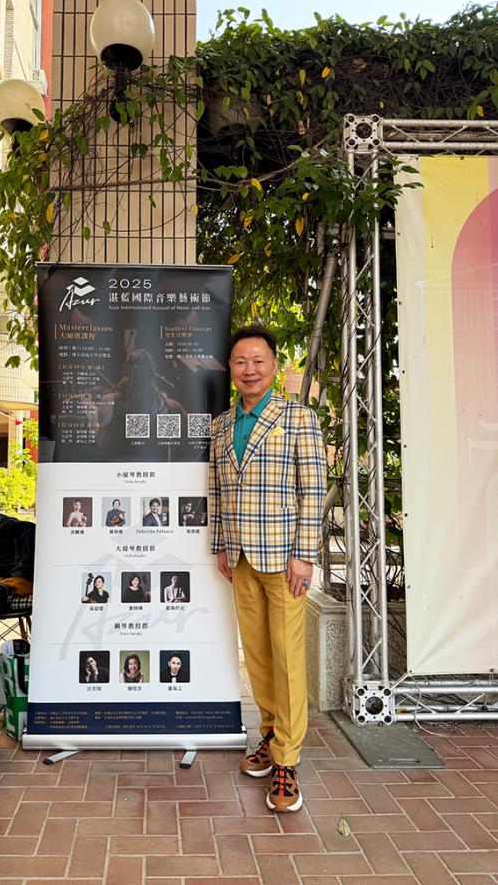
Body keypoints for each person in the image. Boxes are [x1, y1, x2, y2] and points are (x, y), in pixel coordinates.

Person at [209, 325, 326, 814]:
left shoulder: (297, 417)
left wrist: (305, 554)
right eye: (241, 361)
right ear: (231, 368)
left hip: (284, 560)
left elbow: (313, 489)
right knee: (256, 656)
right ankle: (271, 732)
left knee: (287, 657)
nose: (249, 369)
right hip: (240, 558)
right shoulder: (221, 425)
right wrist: (220, 544)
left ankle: (287, 759)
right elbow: (217, 490)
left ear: (275, 366)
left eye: (258, 360)